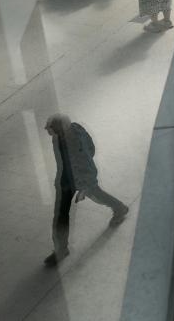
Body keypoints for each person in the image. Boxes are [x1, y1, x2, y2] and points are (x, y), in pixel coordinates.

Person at [43, 114, 129, 267]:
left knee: (97, 195)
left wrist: (83, 187)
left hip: (81, 179)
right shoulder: (62, 134)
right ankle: (61, 249)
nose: (50, 133)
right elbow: (92, 148)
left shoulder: (76, 142)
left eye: (52, 130)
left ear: (61, 129)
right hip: (65, 181)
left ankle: (119, 208)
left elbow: (88, 156)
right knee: (61, 214)